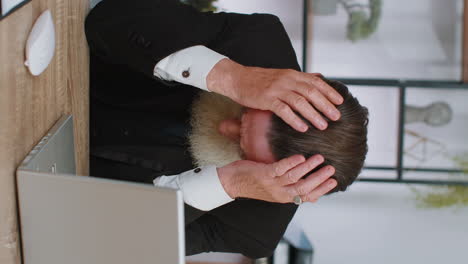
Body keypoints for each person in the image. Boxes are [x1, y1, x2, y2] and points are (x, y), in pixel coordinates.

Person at [85, 0, 367, 258]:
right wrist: (232, 77)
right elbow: (106, 19)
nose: (225, 126)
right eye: (243, 114)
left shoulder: (254, 230)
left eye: (241, 149)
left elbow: (105, 240)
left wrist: (228, 184)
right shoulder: (260, 45)